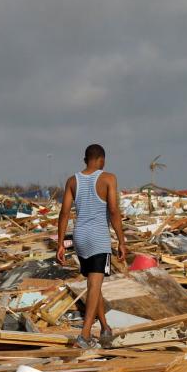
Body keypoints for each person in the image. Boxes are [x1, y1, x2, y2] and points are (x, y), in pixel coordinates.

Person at [56, 143, 127, 349]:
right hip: (98, 239)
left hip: (80, 238)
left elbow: (64, 213)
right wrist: (122, 240)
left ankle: (105, 328)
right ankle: (85, 335)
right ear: (102, 160)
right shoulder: (108, 178)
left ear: (85, 159)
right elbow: (113, 210)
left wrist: (60, 243)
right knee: (95, 285)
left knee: (93, 285)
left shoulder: (72, 181)